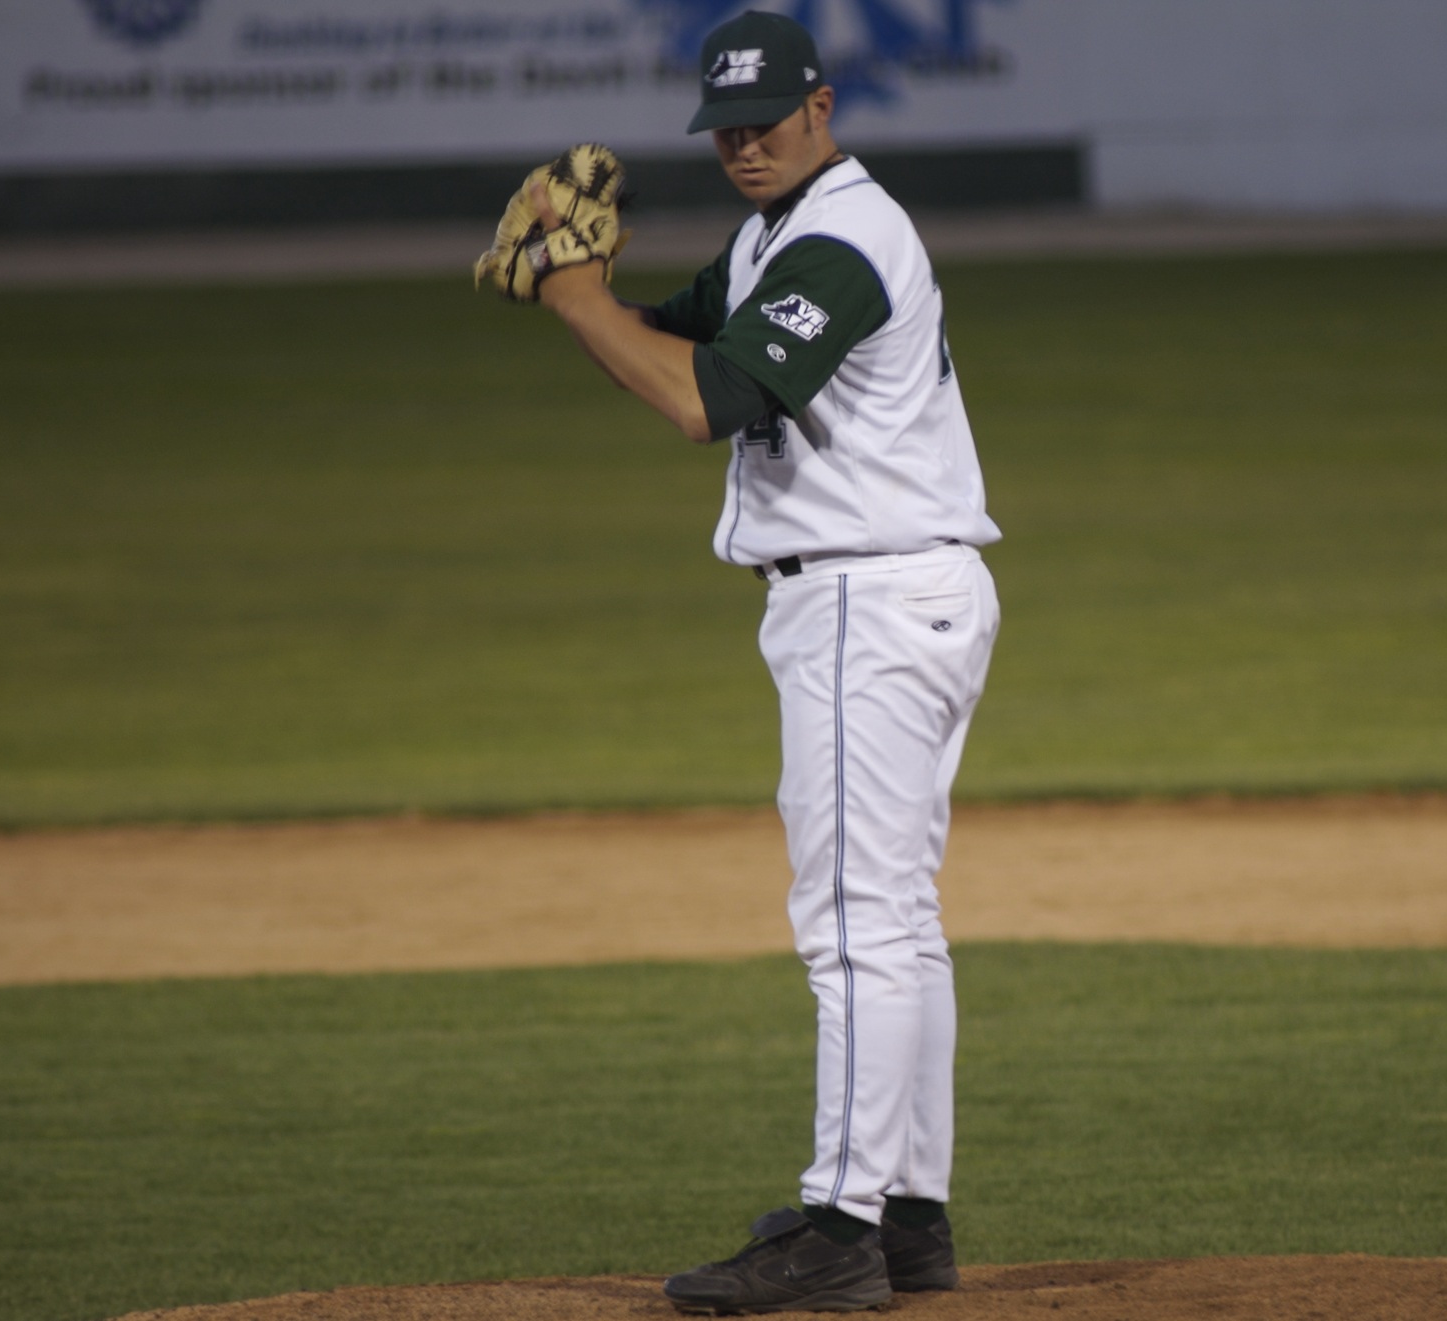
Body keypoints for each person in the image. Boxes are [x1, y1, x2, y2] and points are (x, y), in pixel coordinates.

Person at [526, 10, 1000, 1314]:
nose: (742, 146)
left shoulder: (845, 235)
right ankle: (907, 1214)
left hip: (871, 598)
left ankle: (841, 1227)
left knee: (854, 927)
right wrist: (588, 299)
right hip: (898, 589)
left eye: (764, 122)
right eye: (723, 128)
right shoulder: (773, 236)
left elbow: (703, 398)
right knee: (898, 920)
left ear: (823, 108)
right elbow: (671, 337)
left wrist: (569, 291)